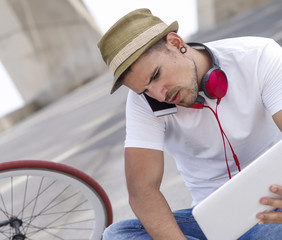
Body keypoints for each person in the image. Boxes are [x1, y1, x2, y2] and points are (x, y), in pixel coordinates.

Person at [98, 8, 282, 240]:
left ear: (175, 42)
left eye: (155, 75)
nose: (158, 95)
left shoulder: (256, 56)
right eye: (144, 90)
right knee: (117, 235)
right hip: (210, 219)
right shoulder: (144, 103)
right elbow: (142, 189)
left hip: (274, 203)